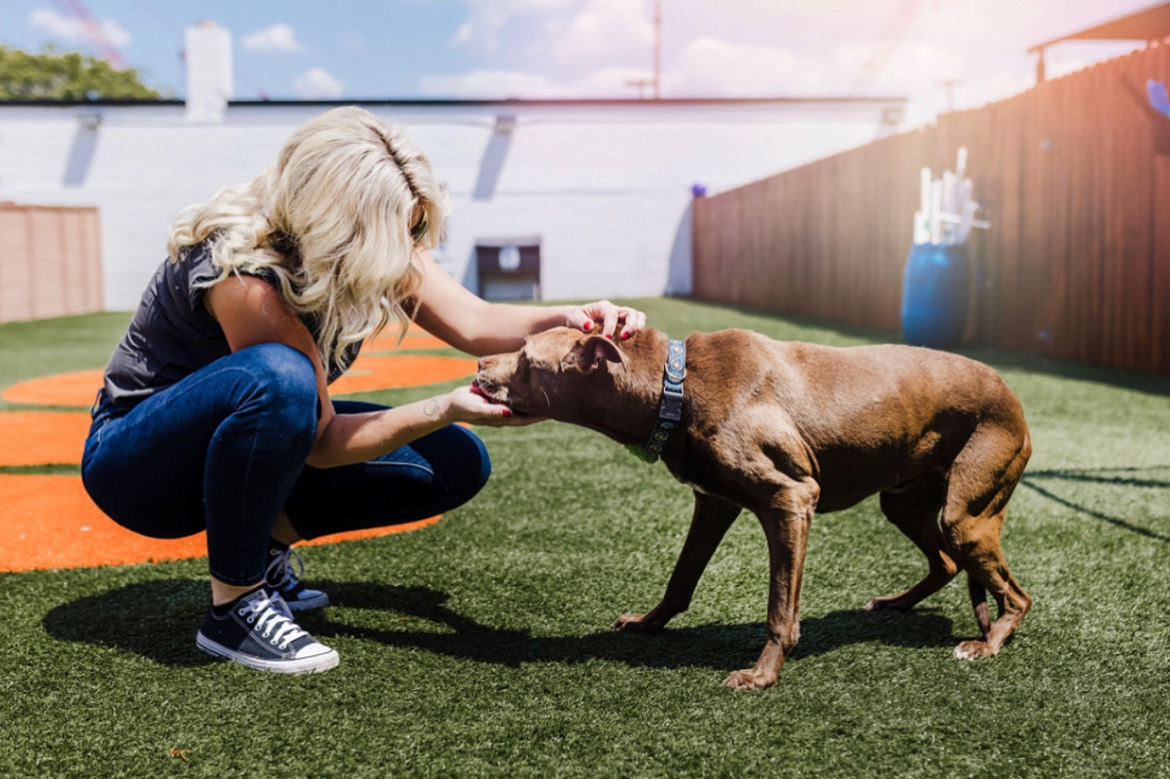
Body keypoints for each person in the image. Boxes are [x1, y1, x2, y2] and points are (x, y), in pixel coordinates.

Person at [81, 106, 646, 675]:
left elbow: (474, 322)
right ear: (339, 222)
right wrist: (444, 406)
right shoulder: (246, 273)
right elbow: (323, 441)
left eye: (414, 229)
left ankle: (262, 546)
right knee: (281, 378)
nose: (408, 245)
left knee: (453, 461)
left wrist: (572, 318)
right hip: (139, 469)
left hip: (236, 445)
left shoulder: (378, 238)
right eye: (397, 231)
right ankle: (234, 606)